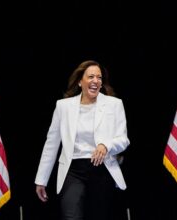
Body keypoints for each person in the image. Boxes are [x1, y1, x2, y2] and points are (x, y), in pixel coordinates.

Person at [34, 60, 130, 220]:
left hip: (102, 170)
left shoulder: (114, 104)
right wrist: (41, 180)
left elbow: (123, 139)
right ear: (80, 81)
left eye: (99, 77)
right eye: (91, 76)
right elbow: (51, 144)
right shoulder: (63, 106)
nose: (95, 81)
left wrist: (105, 145)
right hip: (73, 171)